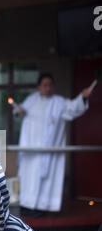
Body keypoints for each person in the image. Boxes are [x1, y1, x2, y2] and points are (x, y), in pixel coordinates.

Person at [14, 73, 94, 216]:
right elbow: (20, 111)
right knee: (28, 178)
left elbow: (74, 107)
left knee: (44, 180)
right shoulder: (31, 100)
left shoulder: (59, 102)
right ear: (39, 87)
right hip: (30, 151)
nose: (48, 88)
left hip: (48, 152)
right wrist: (18, 111)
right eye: (45, 85)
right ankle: (26, 206)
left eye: (50, 85)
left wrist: (83, 97)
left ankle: (40, 208)